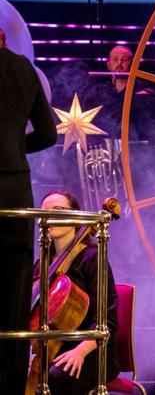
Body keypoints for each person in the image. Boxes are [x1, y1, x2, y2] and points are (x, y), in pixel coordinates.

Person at [0, 34, 58, 394]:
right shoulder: (23, 67)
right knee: (15, 292)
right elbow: (49, 134)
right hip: (15, 189)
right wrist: (11, 148)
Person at [34, 190, 120, 394]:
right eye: (44, 212)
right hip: (53, 347)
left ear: (75, 218)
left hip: (93, 349)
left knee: (57, 378)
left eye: (58, 210)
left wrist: (80, 351)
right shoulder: (42, 265)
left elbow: (107, 319)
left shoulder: (92, 258)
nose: (50, 216)